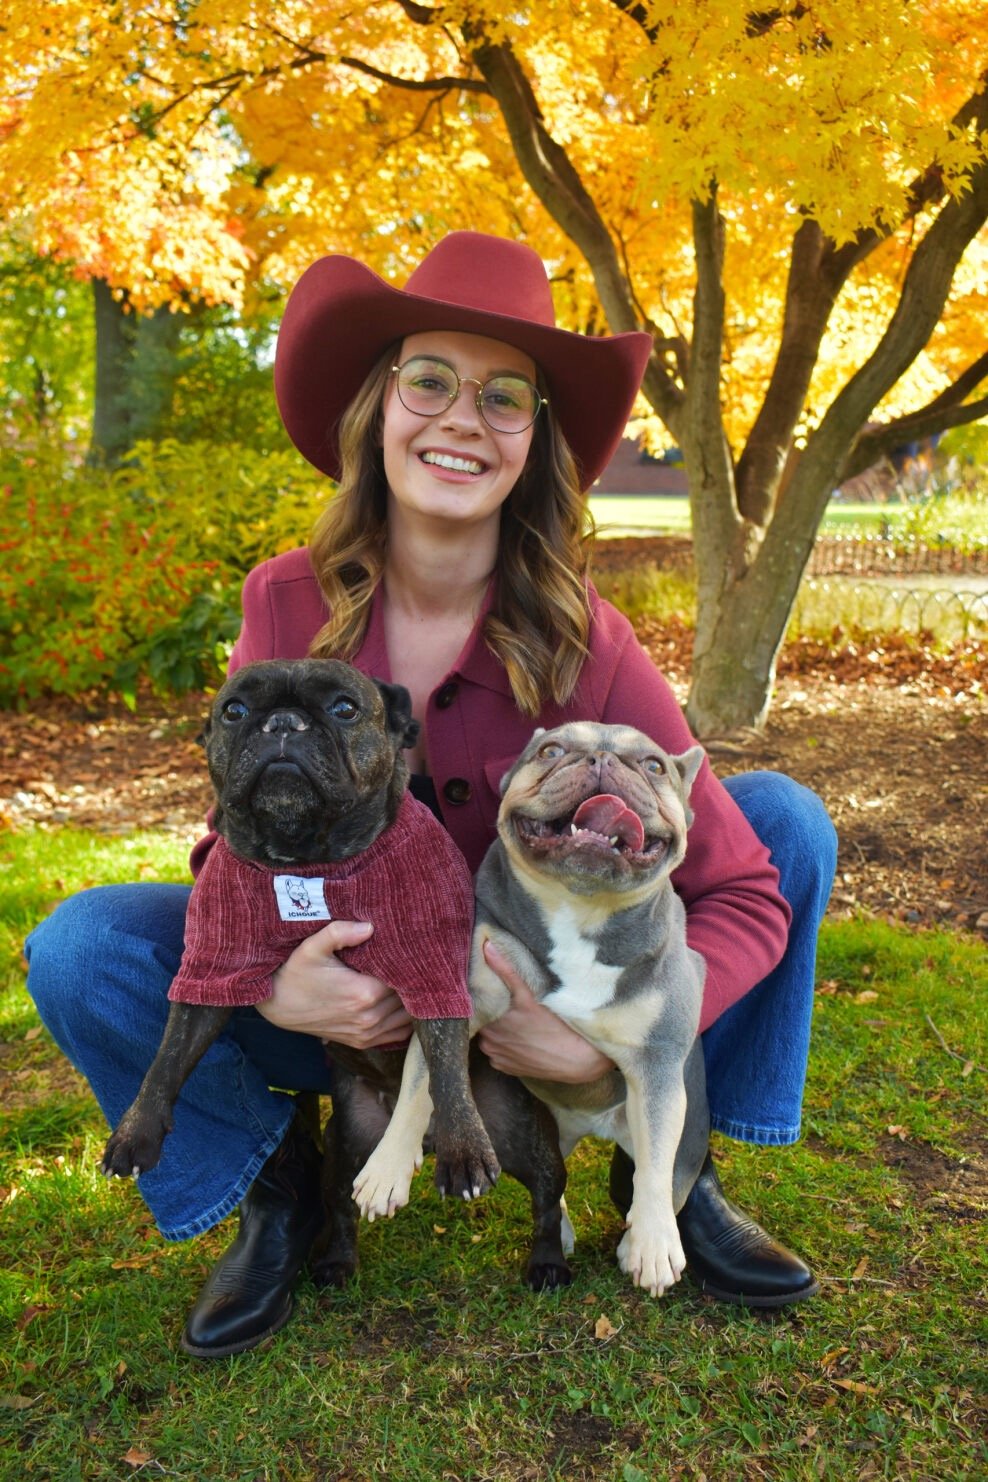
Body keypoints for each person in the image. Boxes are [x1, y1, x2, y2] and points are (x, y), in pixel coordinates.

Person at [25, 231, 837, 1358]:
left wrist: (605, 1046)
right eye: (430, 380)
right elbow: (233, 841)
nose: (463, 419)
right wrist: (279, 984)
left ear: (534, 441)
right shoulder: (284, 600)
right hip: (353, 1001)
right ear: (378, 406)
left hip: (531, 998)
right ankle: (273, 1189)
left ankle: (673, 1167)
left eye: (504, 397)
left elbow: (741, 888)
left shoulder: (585, 637)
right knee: (84, 946)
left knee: (785, 823)